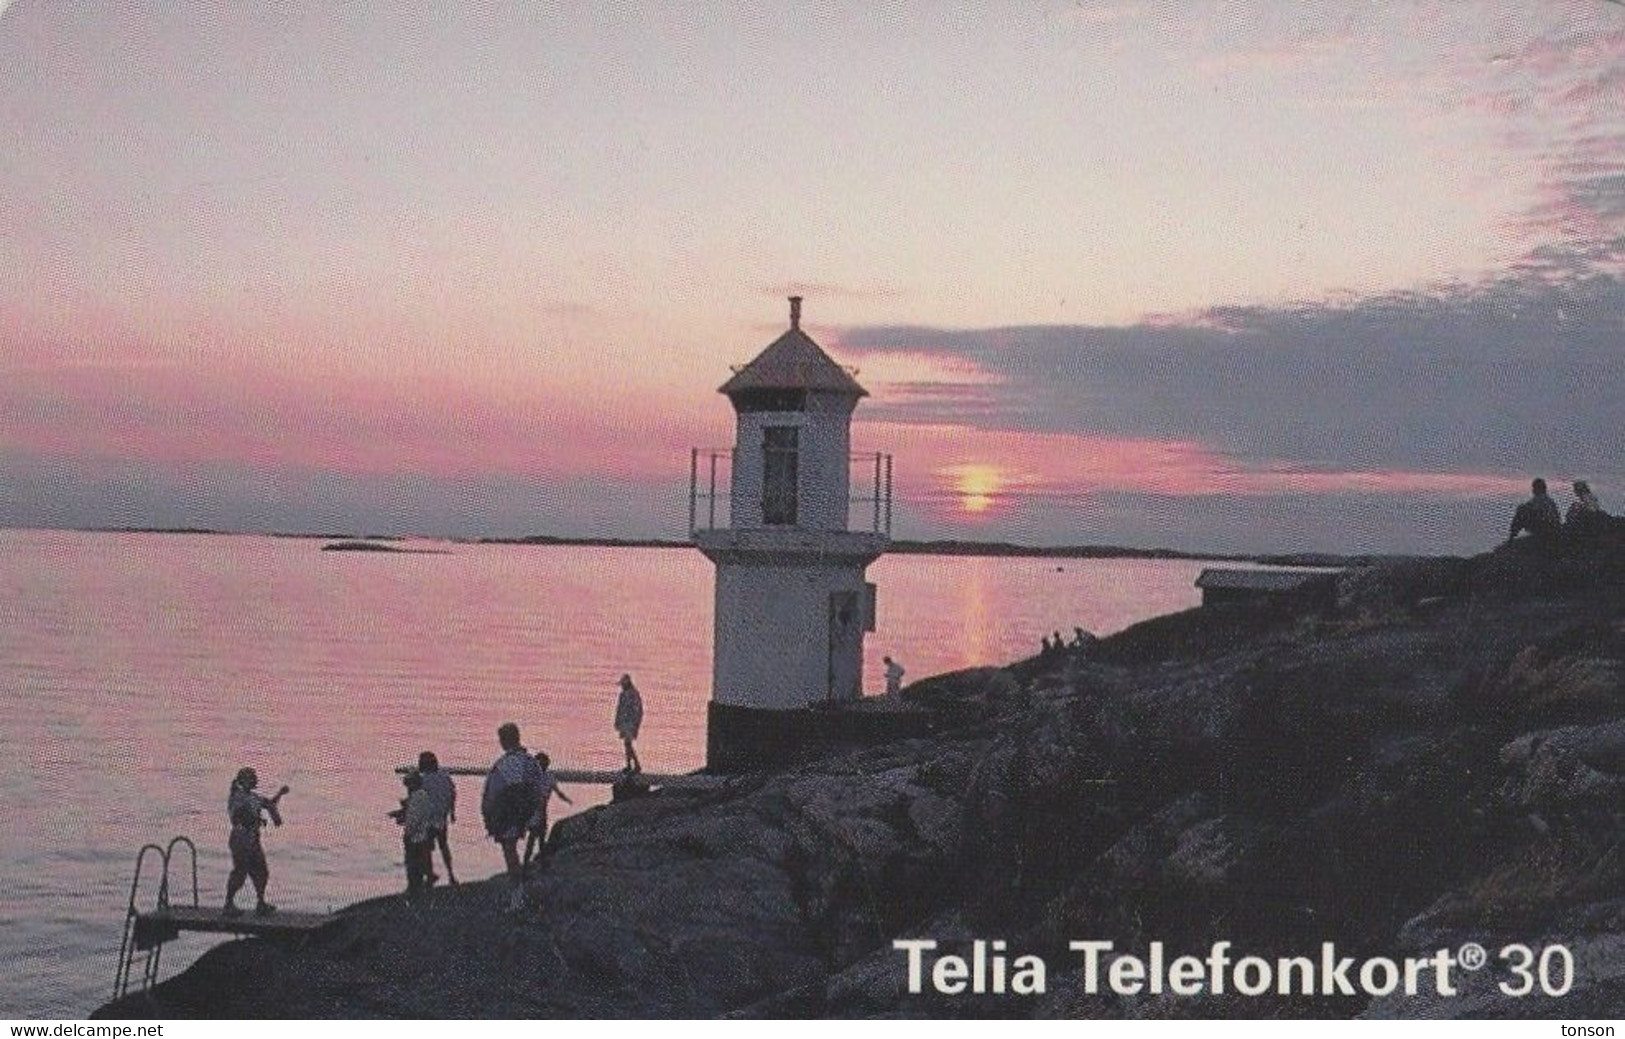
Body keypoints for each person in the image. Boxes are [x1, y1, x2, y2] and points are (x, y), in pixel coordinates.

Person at [481, 722, 547, 913]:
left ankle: (517, 897)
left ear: (504, 741)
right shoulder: (530, 761)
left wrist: (492, 818)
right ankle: (519, 894)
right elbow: (538, 789)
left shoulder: (507, 764)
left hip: (510, 814)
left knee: (510, 854)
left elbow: (503, 792)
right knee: (516, 854)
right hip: (528, 812)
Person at [224, 767, 289, 918]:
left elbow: (269, 804)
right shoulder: (237, 796)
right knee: (240, 873)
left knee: (262, 872)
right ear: (243, 781)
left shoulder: (253, 797)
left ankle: (260, 903)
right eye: (252, 778)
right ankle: (228, 904)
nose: (255, 780)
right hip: (241, 839)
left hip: (253, 839)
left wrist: (280, 794)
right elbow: (240, 815)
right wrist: (258, 819)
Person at [522, 751, 573, 873]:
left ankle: (542, 864)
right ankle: (526, 865)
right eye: (540, 763)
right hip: (534, 810)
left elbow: (557, 791)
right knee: (533, 837)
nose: (542, 765)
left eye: (544, 763)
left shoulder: (549, 777)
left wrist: (566, 799)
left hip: (543, 810)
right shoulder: (532, 777)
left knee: (541, 838)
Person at [391, 770, 436, 901]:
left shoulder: (417, 798)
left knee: (412, 865)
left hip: (416, 838)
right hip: (422, 836)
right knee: (418, 864)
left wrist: (406, 830)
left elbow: (414, 820)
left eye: (408, 785)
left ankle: (413, 890)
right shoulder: (422, 796)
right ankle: (417, 888)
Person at [417, 751, 458, 886]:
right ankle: (451, 874)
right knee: (444, 846)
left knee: (425, 848)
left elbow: (420, 800)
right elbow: (452, 793)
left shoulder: (424, 780)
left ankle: (430, 875)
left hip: (429, 819)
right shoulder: (444, 775)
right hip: (442, 816)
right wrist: (452, 812)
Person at [1508, 478, 1561, 543]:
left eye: (1534, 488)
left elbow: (1533, 510)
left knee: (1521, 510)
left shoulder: (1539, 501)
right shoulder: (1550, 501)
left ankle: (1512, 536)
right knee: (1522, 509)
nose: (1533, 490)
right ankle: (1513, 535)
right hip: (1551, 528)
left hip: (1543, 528)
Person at [614, 674, 643, 773]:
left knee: (628, 743)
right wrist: (617, 721)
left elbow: (638, 710)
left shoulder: (634, 694)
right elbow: (619, 709)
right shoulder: (623, 695)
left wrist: (635, 724)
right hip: (624, 723)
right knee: (626, 744)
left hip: (630, 723)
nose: (622, 686)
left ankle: (635, 765)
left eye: (623, 684)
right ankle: (630, 765)